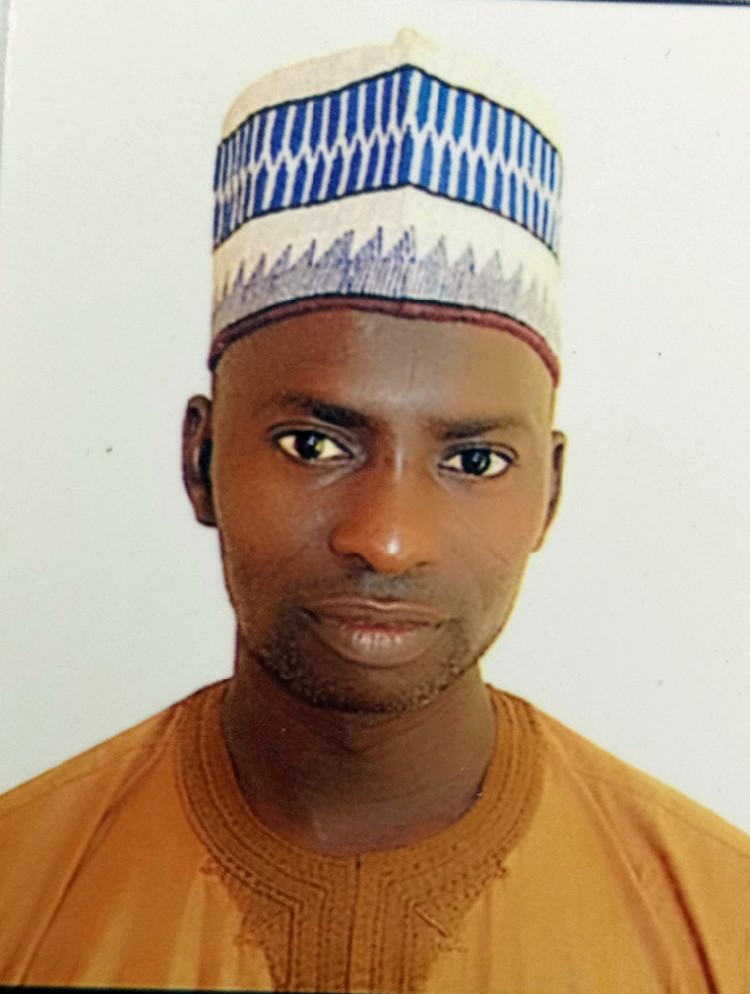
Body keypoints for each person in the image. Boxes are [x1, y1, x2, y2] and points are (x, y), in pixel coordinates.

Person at [1, 29, 748, 994]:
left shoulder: (720, 923)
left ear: (550, 494)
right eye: (315, 446)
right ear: (200, 461)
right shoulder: (21, 888)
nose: (388, 541)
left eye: (474, 461)